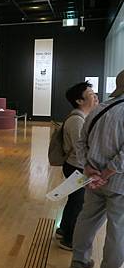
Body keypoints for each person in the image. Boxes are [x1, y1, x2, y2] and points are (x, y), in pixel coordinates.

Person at [69, 69, 124, 268]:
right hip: (119, 183)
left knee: (87, 218)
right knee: (118, 230)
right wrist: (107, 172)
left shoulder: (100, 108)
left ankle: (79, 259)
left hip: (93, 180)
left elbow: (81, 142)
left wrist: (89, 168)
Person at [55, 82, 98, 250]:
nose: (95, 97)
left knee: (74, 201)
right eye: (91, 94)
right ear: (79, 101)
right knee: (78, 204)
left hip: (76, 166)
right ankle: (69, 240)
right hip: (77, 167)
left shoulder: (82, 117)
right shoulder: (77, 120)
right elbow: (82, 148)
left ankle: (63, 230)